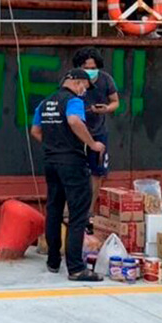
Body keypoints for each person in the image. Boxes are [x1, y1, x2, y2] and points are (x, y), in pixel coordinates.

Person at [31, 68, 107, 281]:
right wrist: (92, 144)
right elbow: (74, 121)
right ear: (75, 81)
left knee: (54, 210)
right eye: (84, 85)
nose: (84, 90)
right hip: (72, 162)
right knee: (78, 213)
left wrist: (53, 145)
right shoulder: (74, 102)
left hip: (51, 162)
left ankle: (53, 261)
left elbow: (35, 131)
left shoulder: (45, 103)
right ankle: (76, 268)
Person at [72, 47, 121, 224]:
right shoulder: (72, 80)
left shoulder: (106, 80)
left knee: (97, 172)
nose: (90, 71)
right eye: (86, 67)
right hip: (76, 132)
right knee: (74, 171)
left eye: (93, 67)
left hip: (98, 130)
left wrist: (106, 109)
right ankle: (70, 211)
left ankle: (89, 212)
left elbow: (115, 102)